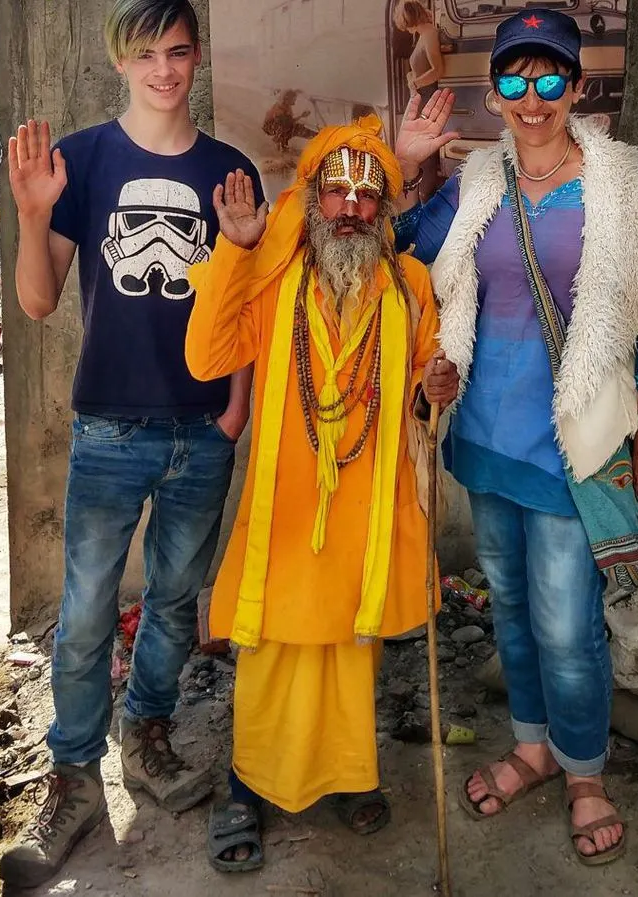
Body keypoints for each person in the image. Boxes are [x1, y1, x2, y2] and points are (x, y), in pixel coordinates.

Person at [392, 9, 638, 866]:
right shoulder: (474, 184)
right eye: (516, 80)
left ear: (577, 87)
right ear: (494, 93)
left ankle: (584, 771)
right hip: (485, 439)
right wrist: (407, 167)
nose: (532, 99)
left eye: (550, 78)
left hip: (573, 443)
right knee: (515, 610)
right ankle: (532, 746)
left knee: (568, 622)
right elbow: (404, 256)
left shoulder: (618, 185)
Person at [0, 0, 262, 888]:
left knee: (177, 601)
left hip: (203, 431)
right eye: (145, 53)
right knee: (82, 614)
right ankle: (73, 773)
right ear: (120, 59)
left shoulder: (231, 171)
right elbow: (36, 302)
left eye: (178, 51)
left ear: (197, 57)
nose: (163, 69)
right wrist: (34, 214)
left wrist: (236, 405)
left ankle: (146, 729)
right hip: (109, 425)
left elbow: (245, 306)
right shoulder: (80, 162)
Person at [184, 115, 458, 871]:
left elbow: (429, 391)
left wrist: (439, 386)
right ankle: (246, 784)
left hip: (366, 513)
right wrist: (236, 251)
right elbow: (207, 356)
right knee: (273, 653)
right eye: (333, 192)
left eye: (366, 198)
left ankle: (344, 774)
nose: (349, 209)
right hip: (286, 514)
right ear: (310, 201)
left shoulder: (410, 286)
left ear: (385, 212)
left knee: (348, 651)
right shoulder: (272, 279)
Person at [393, 0, 446, 201]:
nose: (404, 29)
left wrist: (415, 83)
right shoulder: (423, 35)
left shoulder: (429, 33)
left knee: (425, 157)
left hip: (427, 96)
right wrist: (412, 77)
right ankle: (421, 197)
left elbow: (438, 70)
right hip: (421, 96)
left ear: (408, 18)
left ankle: (425, 198)